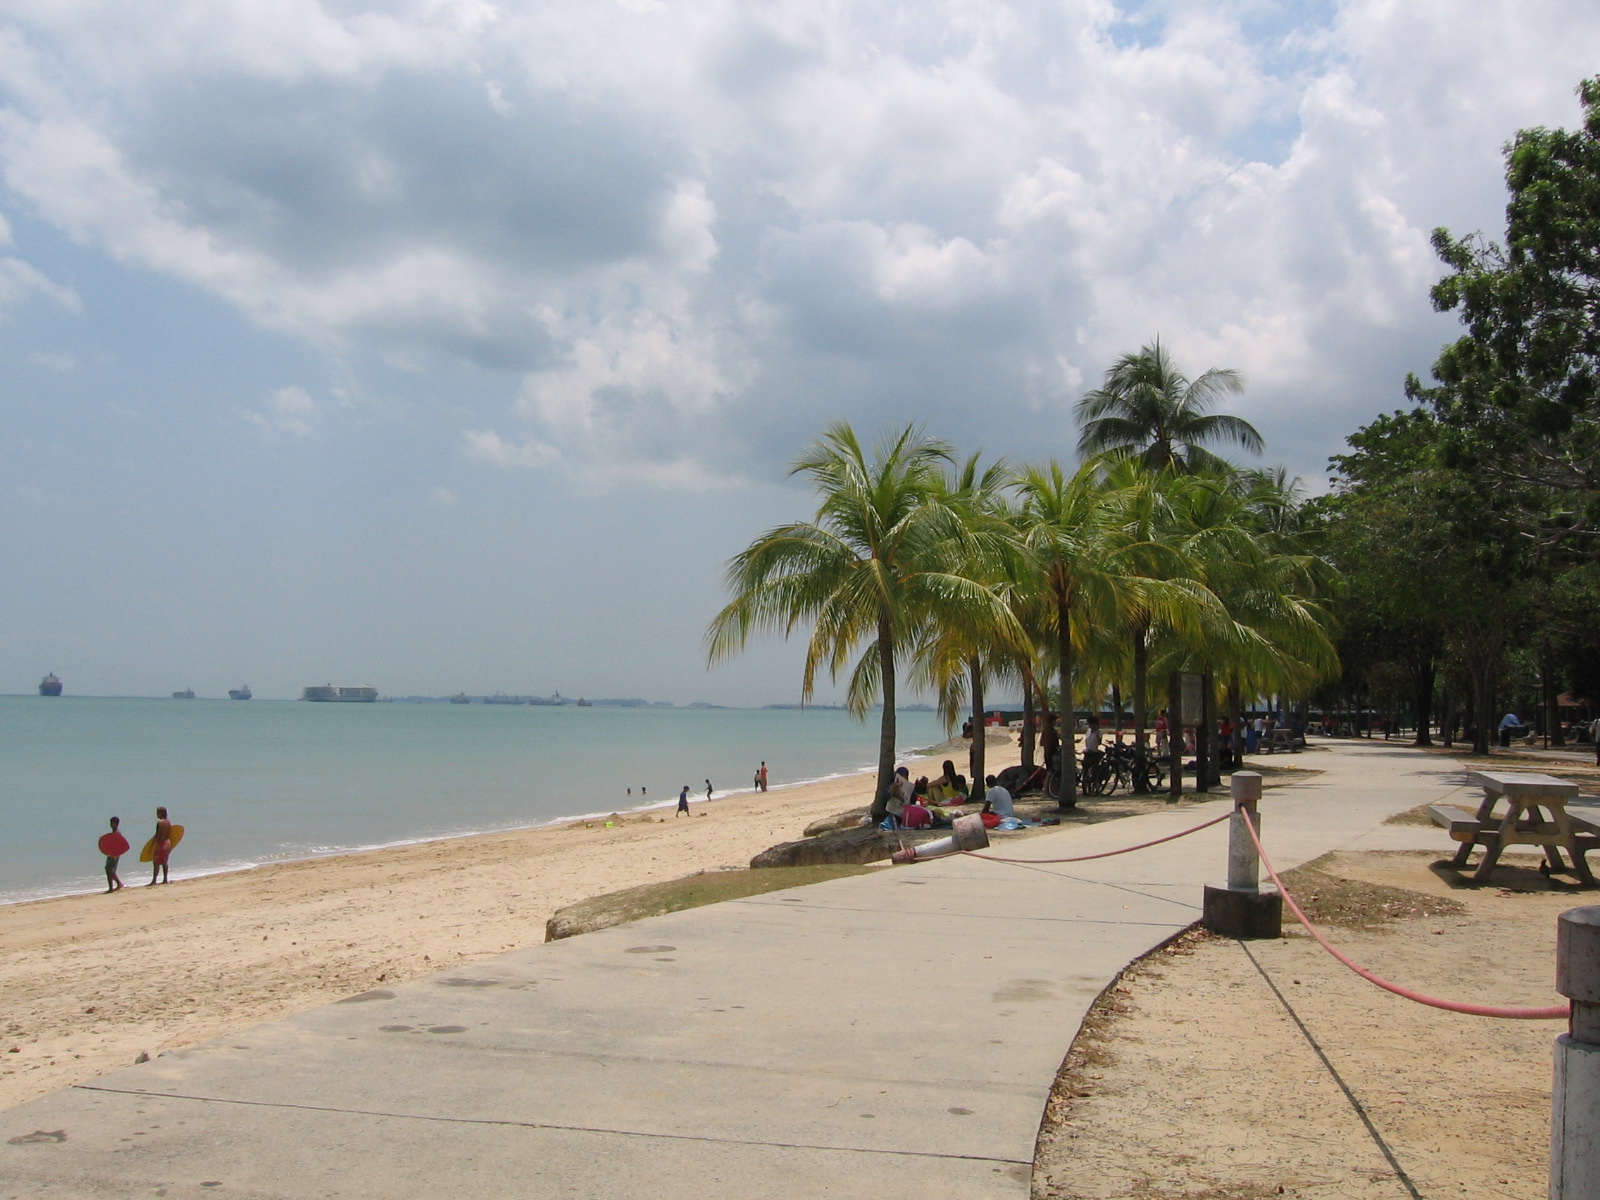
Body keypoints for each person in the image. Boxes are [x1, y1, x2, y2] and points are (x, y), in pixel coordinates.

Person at [101, 816, 127, 893]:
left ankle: (115, 886)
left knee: (109, 870)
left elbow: (119, 844)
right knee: (109, 870)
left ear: (116, 824)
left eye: (112, 823)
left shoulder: (117, 833)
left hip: (114, 854)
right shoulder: (114, 832)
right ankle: (114, 886)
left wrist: (115, 854)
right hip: (112, 853)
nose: (110, 825)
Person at [149, 806, 173, 885]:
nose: (156, 815)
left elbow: (157, 835)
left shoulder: (160, 823)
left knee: (156, 863)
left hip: (161, 844)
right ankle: (165, 879)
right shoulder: (168, 822)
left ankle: (154, 881)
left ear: (162, 813)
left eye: (158, 813)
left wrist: (152, 846)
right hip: (168, 843)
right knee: (164, 862)